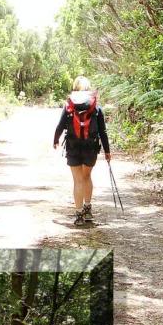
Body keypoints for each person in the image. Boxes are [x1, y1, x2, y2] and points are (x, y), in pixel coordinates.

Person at [53, 76, 111, 226]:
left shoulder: (69, 105)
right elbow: (103, 131)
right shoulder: (95, 107)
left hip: (73, 146)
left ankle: (79, 215)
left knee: (77, 180)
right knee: (86, 177)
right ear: (88, 88)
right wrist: (107, 151)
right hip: (90, 148)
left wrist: (55, 140)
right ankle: (88, 209)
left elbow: (60, 126)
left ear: (75, 88)